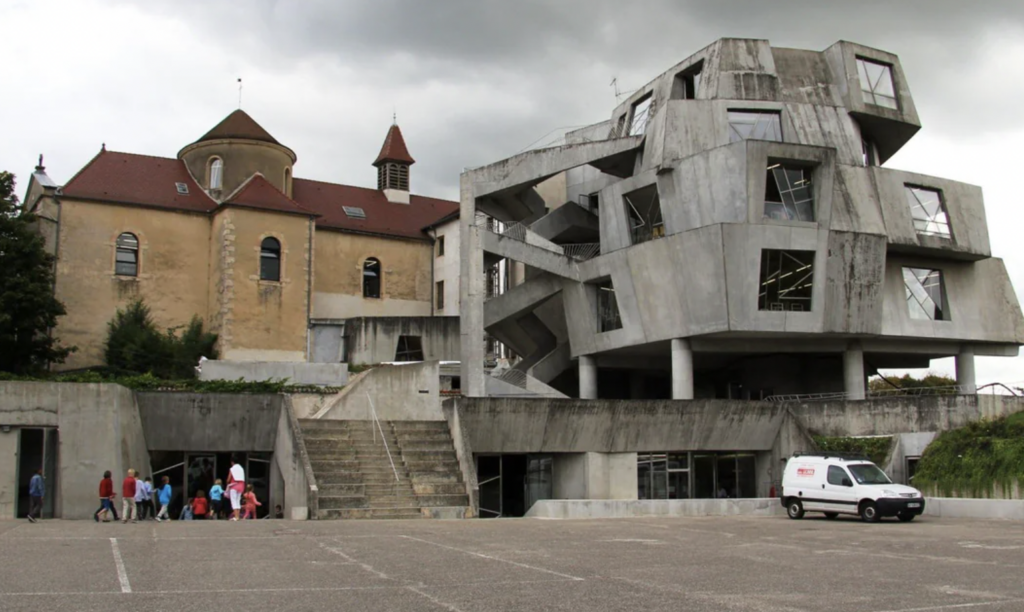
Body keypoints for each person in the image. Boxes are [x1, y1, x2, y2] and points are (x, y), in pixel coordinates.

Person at [226, 456, 245, 521]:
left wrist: (227, 482)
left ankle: (236, 516)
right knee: (238, 500)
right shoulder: (241, 468)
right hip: (241, 485)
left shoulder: (232, 468)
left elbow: (228, 479)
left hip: (234, 486)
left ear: (232, 462)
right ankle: (238, 516)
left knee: (233, 501)